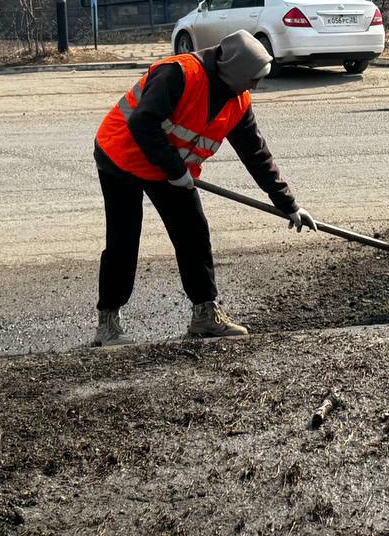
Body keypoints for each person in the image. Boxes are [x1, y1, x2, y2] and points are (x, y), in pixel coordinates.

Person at [90, 30, 316, 347]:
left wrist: (288, 204)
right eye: (253, 78)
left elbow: (256, 154)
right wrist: (175, 169)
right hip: (120, 155)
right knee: (124, 238)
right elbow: (142, 122)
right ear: (234, 71)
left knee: (193, 232)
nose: (256, 85)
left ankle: (204, 316)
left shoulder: (237, 100)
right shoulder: (179, 74)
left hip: (167, 167)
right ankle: (108, 325)